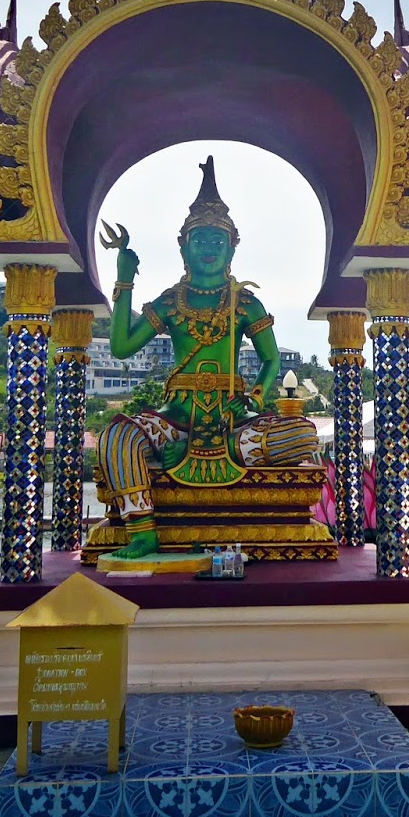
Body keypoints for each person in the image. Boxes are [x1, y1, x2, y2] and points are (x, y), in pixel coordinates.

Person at [94, 156, 318, 559]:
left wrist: (254, 398)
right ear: (183, 246)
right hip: (176, 420)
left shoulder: (245, 303)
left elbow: (271, 361)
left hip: (233, 422)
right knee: (117, 437)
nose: (210, 248)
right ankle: (142, 531)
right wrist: (124, 280)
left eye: (218, 240)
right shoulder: (171, 301)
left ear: (233, 246)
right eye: (201, 240)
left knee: (302, 435)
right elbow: (122, 347)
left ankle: (214, 453)